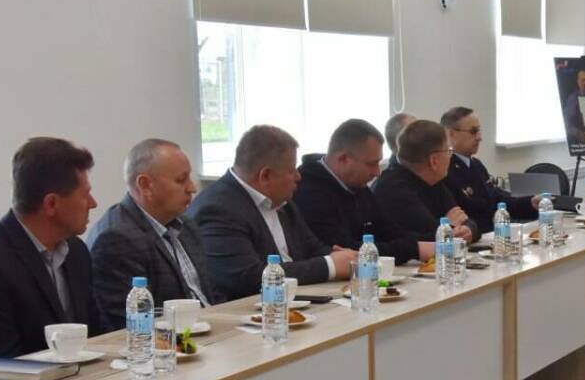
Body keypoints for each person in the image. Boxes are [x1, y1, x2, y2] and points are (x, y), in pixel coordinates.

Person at [189, 125, 356, 301]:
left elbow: (311, 248)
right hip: (250, 310)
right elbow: (247, 278)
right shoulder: (218, 209)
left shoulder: (282, 201)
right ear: (265, 176)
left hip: (296, 302)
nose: (298, 177)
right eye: (291, 170)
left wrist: (343, 257)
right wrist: (330, 265)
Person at [0, 137, 101, 357]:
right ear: (51, 204)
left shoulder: (77, 252)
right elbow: (2, 364)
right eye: (84, 195)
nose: (93, 203)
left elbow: (98, 338)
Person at [88, 139, 222, 330]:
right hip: (171, 341)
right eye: (181, 180)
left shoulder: (186, 226)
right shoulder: (117, 238)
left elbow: (212, 295)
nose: (192, 188)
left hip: (210, 331)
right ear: (145, 185)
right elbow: (131, 325)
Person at [293, 119, 432, 262]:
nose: (377, 172)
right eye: (371, 164)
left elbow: (388, 230)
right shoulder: (308, 193)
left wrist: (428, 243)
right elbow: (344, 250)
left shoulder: (358, 186)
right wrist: (413, 249)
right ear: (343, 159)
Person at [371, 120, 479, 245]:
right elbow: (429, 236)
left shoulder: (434, 181)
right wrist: (449, 226)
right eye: (448, 151)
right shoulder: (394, 189)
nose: (450, 157)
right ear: (434, 161)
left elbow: (464, 218)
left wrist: (469, 230)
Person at [441, 106, 538, 233]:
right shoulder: (445, 170)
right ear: (451, 134)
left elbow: (496, 199)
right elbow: (466, 213)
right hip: (470, 237)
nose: (479, 137)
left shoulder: (476, 165)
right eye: (473, 131)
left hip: (489, 235)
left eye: (479, 131)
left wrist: (530, 203)